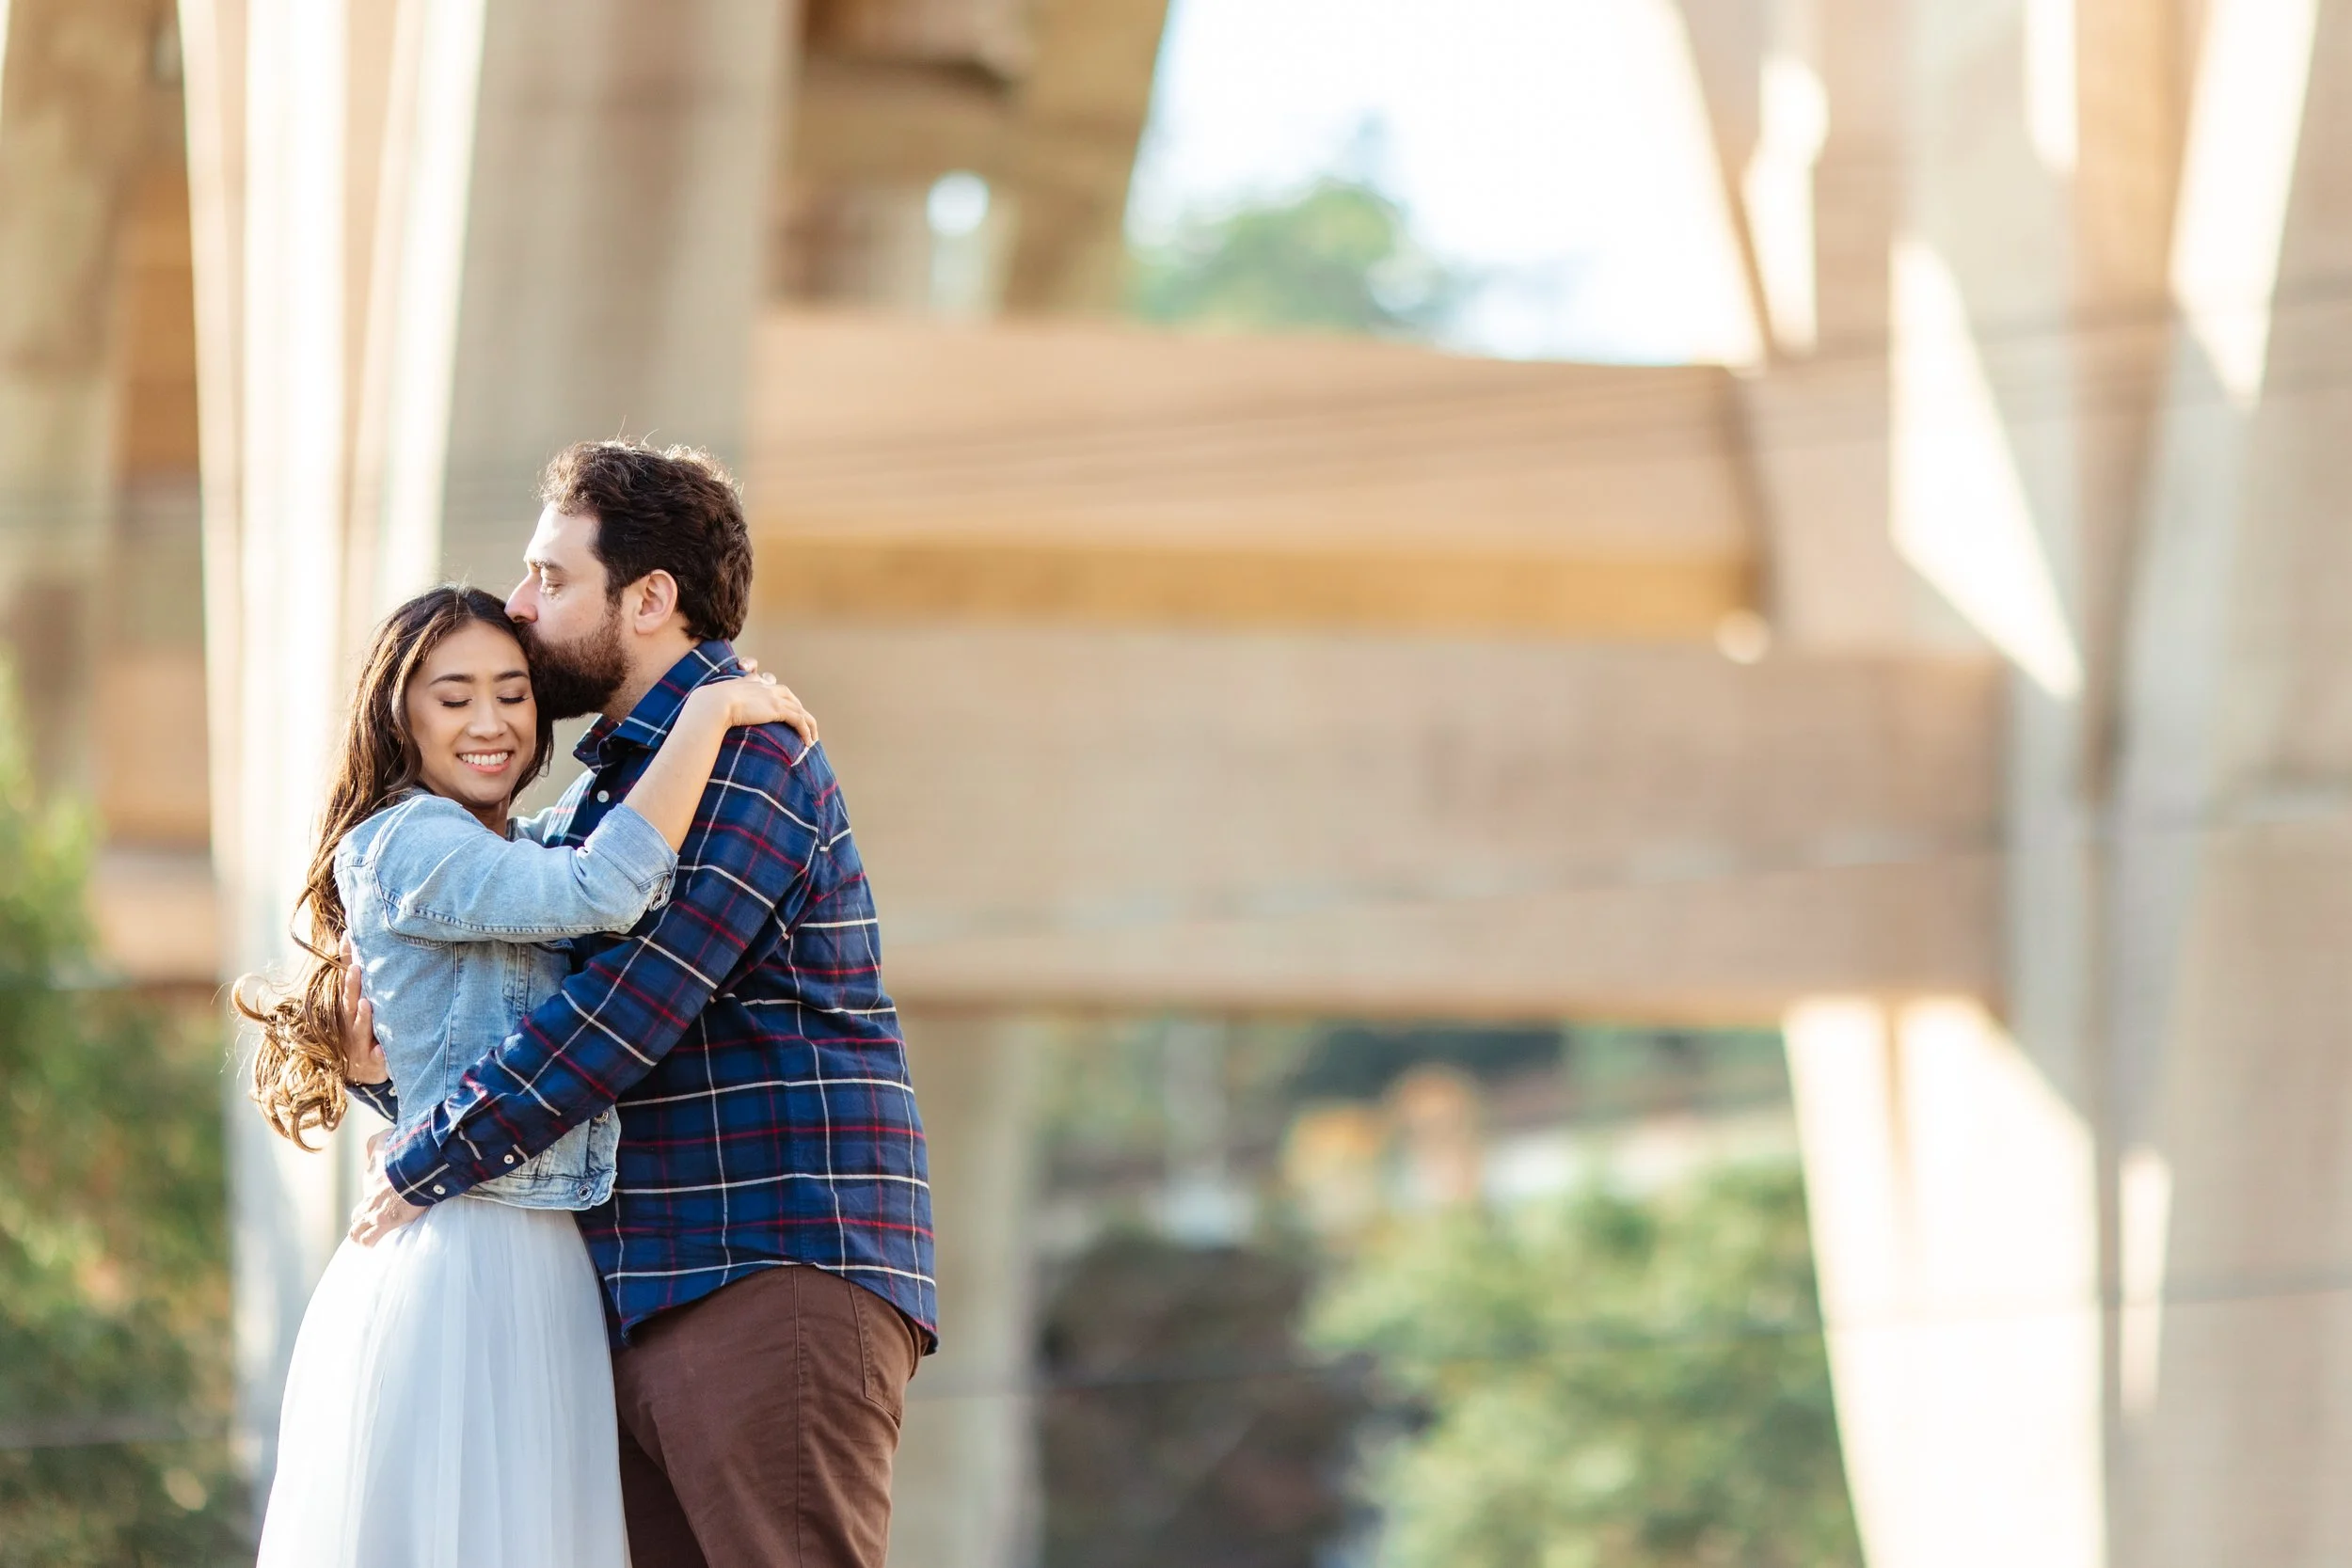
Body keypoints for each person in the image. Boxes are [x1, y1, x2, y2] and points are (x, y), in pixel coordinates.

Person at [342, 440, 937, 1568]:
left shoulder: (745, 751)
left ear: (650, 597)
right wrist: (379, 1067)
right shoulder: (612, 792)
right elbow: (513, 1011)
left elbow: (625, 1007)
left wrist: (427, 1157)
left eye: (550, 578)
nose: (520, 609)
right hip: (640, 1289)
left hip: (768, 1267)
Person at [242, 584, 816, 1567]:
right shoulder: (406, 837)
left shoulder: (505, 843)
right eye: (453, 694)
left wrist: (381, 1084)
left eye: (512, 693)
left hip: (536, 1245)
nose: (490, 721)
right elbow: (601, 885)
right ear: (400, 711)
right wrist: (711, 707)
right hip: (464, 1254)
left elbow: (460, 1031)